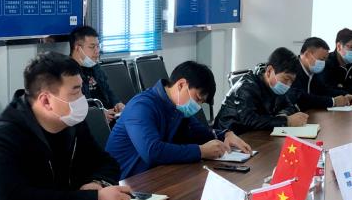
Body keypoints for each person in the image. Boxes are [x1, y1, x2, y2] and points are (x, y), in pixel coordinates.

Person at [0, 53, 131, 200]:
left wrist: (96, 184)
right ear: (46, 100)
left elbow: (106, 162)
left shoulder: (70, 122)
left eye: (81, 89)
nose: (82, 98)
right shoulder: (2, 137)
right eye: (75, 92)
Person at [106, 61, 252, 178]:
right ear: (181, 85)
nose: (198, 106)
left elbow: (199, 132)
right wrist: (200, 151)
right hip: (127, 183)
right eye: (198, 99)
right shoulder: (141, 106)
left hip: (157, 176)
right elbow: (152, 152)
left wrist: (226, 134)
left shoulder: (177, 108)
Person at [214, 47, 308, 134]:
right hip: (230, 136)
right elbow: (250, 121)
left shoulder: (275, 87)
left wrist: (283, 115)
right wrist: (286, 121)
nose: (288, 85)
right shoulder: (246, 87)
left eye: (291, 81)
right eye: (286, 79)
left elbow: (289, 106)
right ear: (269, 71)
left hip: (256, 135)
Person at [68, 25, 122, 124]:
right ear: (77, 48)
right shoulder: (68, 73)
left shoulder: (95, 67)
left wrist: (117, 103)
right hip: (90, 122)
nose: (97, 51)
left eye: (98, 46)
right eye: (92, 47)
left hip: (110, 117)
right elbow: (75, 106)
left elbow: (108, 90)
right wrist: (98, 114)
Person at [292, 37, 352, 110]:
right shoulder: (292, 71)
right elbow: (301, 98)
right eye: (321, 59)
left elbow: (323, 90)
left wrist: (345, 94)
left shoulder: (312, 71)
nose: (323, 63)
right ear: (307, 55)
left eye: (325, 60)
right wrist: (333, 101)